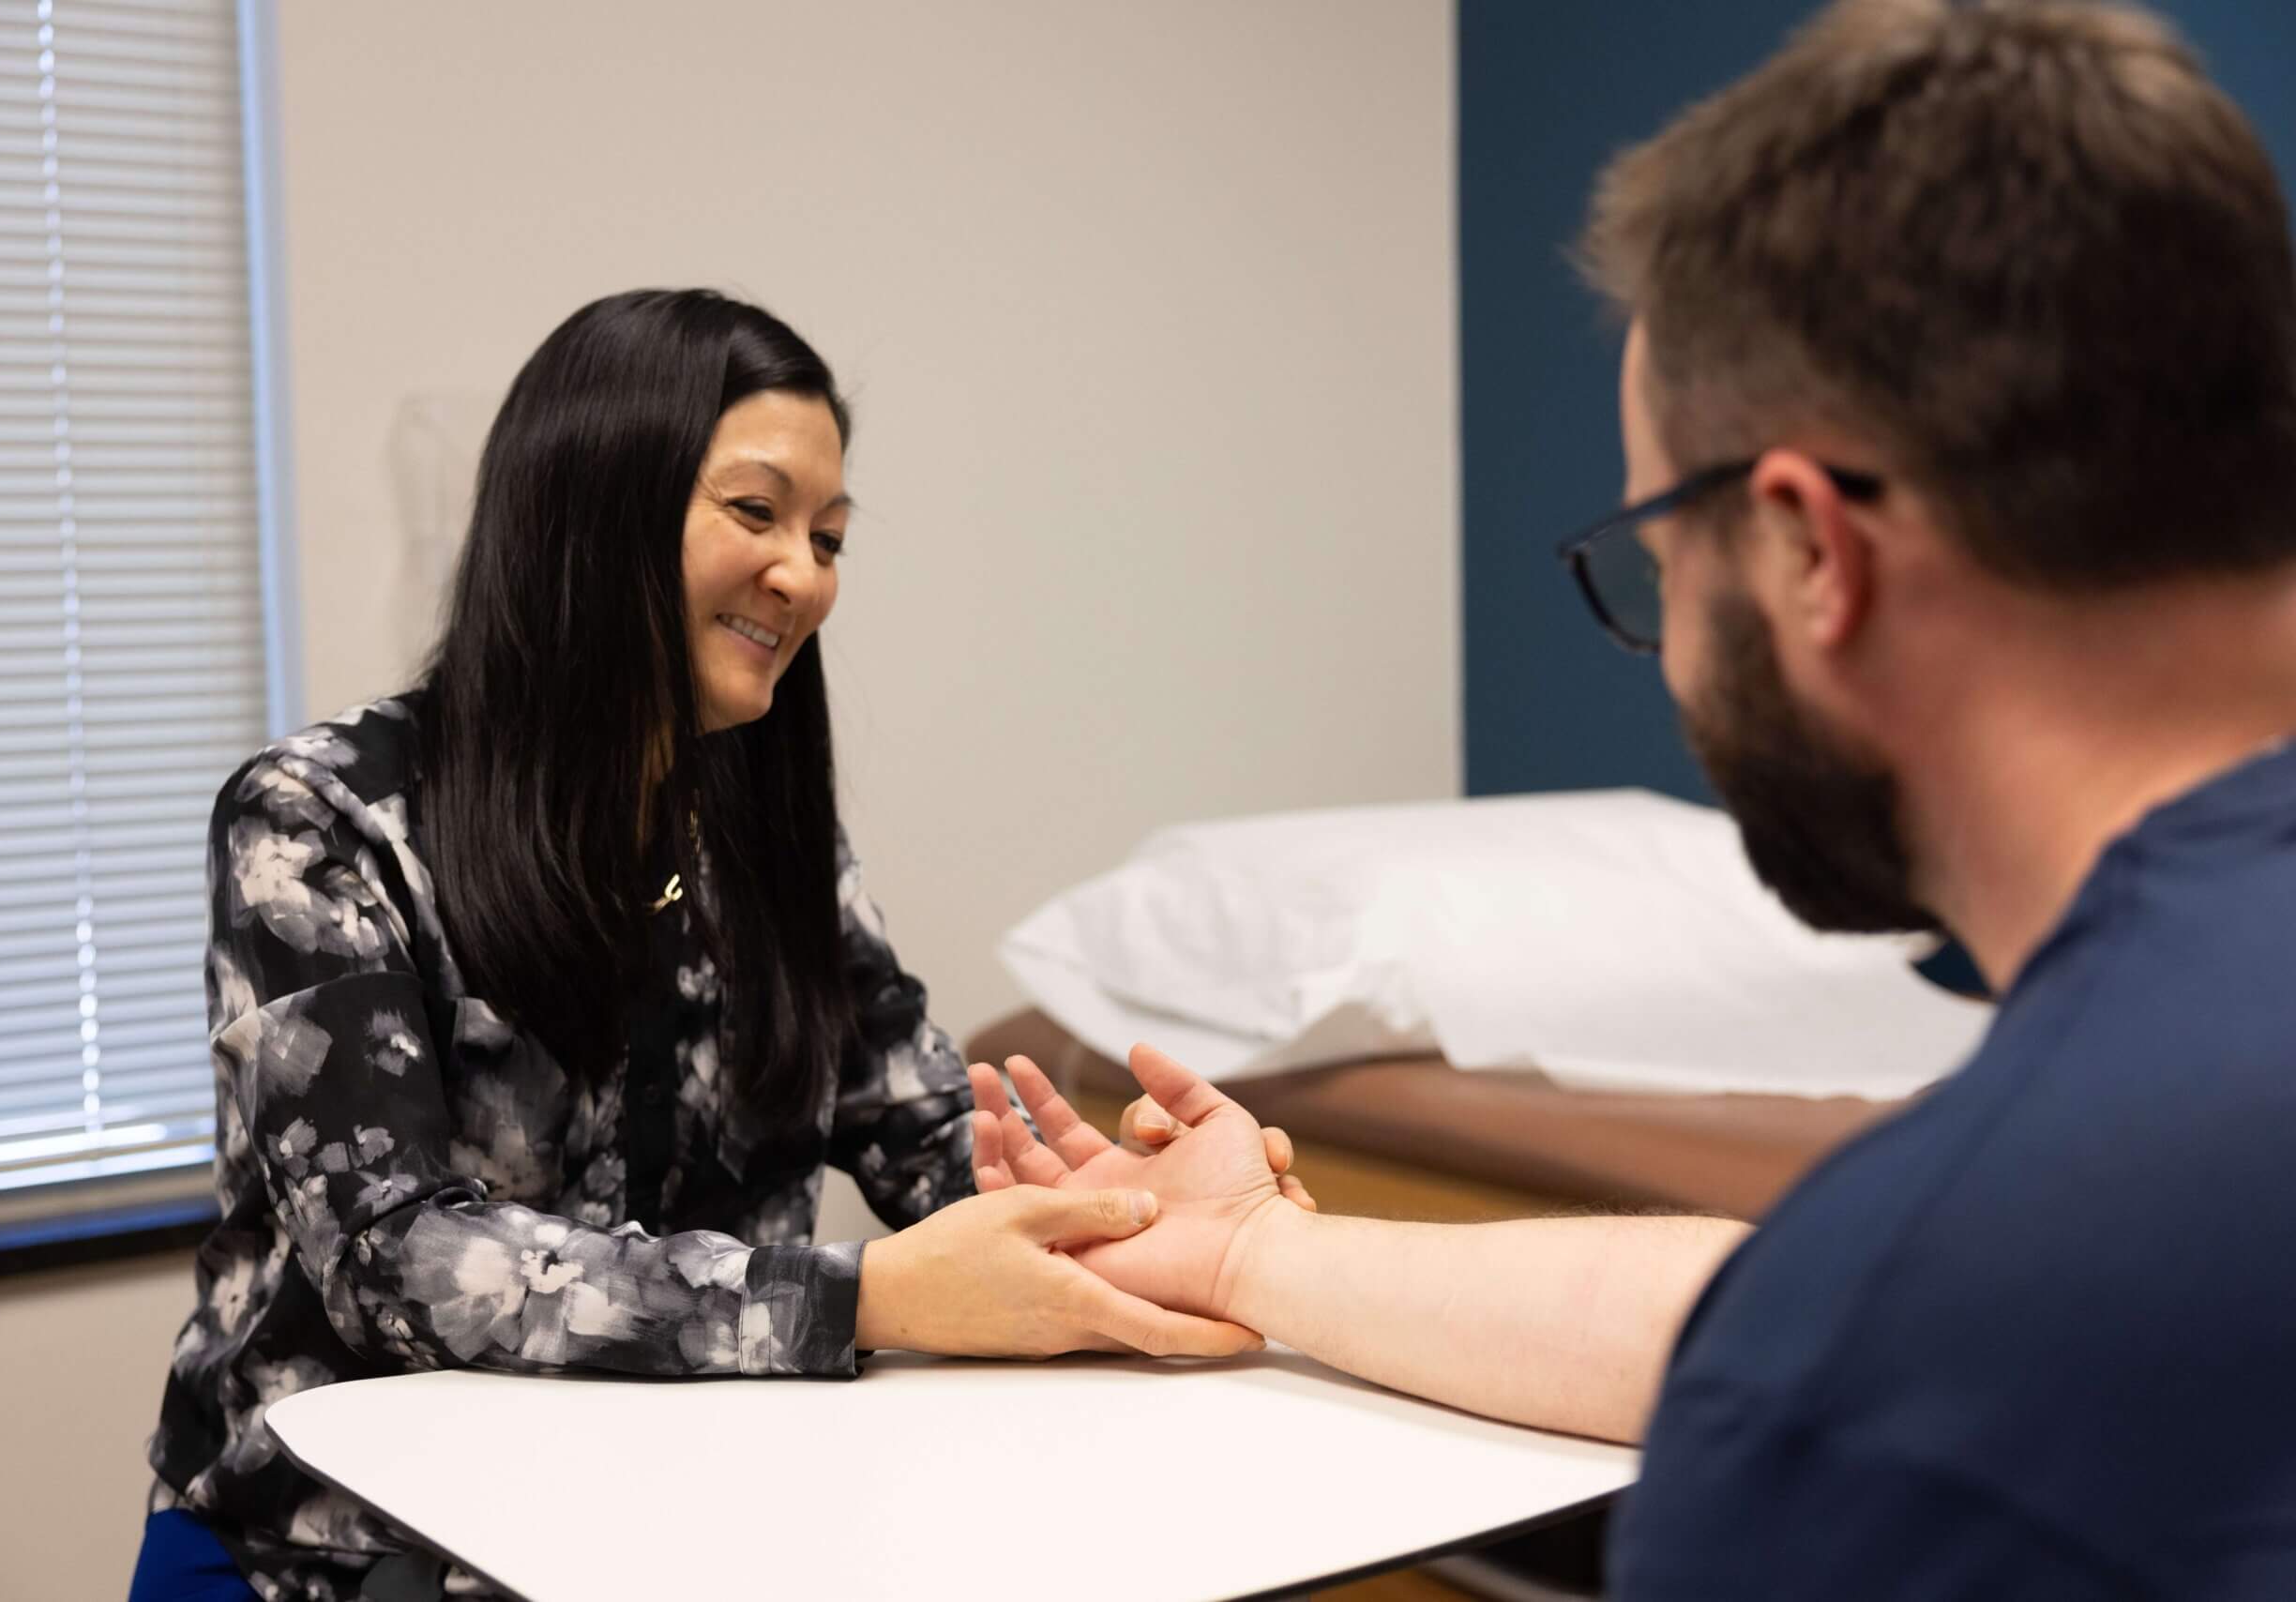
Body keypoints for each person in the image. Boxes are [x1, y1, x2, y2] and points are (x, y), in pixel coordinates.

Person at [972, 1, 2296, 1594]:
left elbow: (1848, 1346)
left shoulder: (1901, 1373)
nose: (1667, 659)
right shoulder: (2020, 1275)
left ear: (1813, 552)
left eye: (1661, 569)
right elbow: (1765, 1310)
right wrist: (1262, 1254)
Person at [129, 289, 1309, 1601]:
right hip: (328, 1555)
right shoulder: (320, 822)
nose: (805, 575)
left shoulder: (759, 828)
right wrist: (863, 1299)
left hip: (685, 1536)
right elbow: (397, 1263)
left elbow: (929, 1143)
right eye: (757, 514)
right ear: (594, 509)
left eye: (831, 536)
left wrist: (1140, 1222)